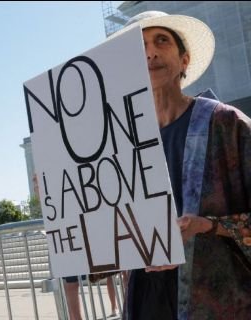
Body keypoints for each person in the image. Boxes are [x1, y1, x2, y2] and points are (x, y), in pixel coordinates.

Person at [109, 11, 251, 319]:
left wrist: (210, 225)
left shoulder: (226, 123)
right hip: (147, 297)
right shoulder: (121, 143)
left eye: (162, 40)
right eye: (140, 45)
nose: (150, 51)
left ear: (184, 60)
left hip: (215, 297)